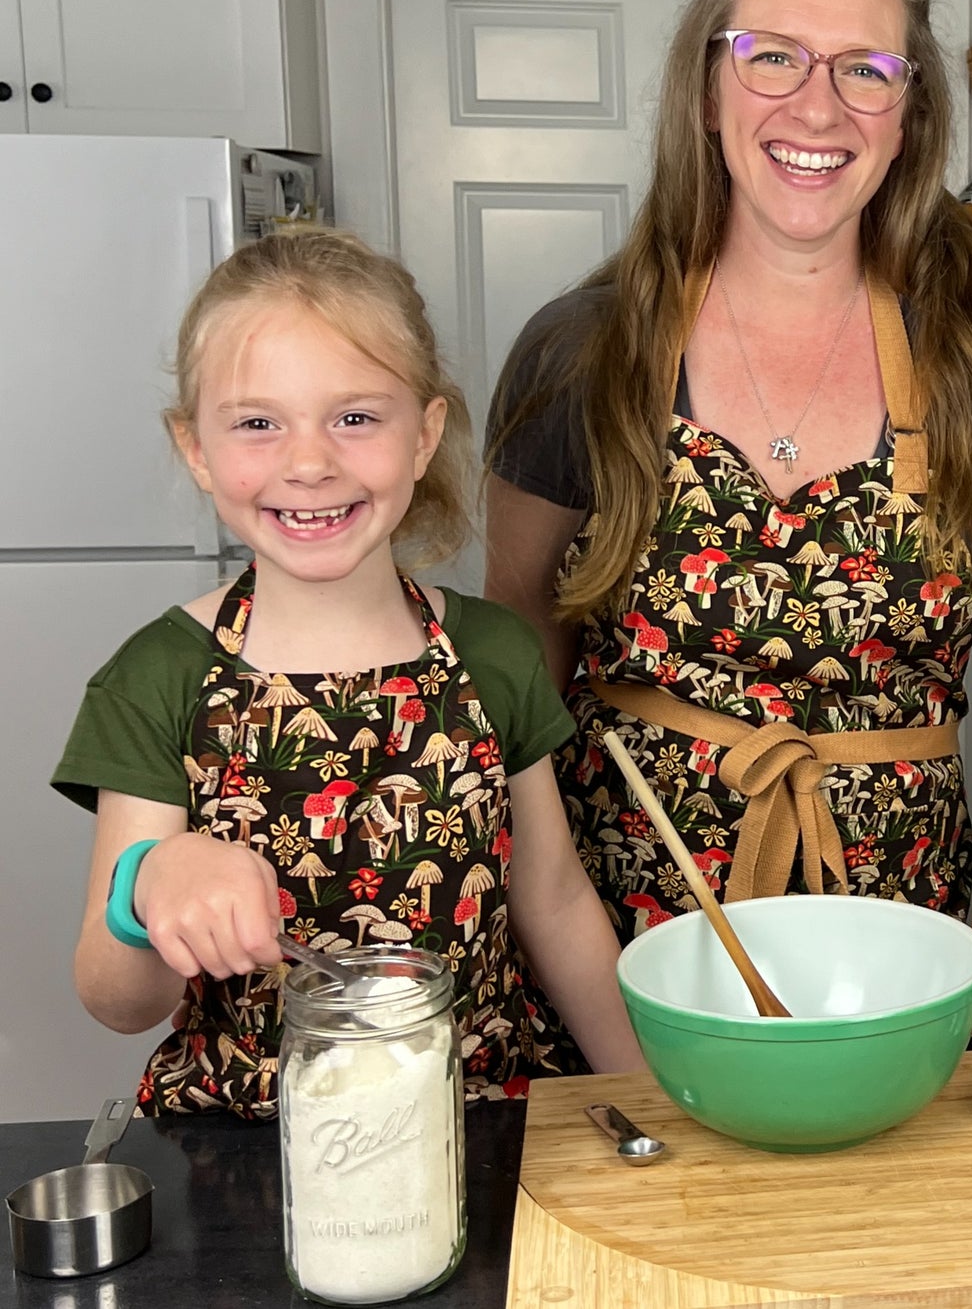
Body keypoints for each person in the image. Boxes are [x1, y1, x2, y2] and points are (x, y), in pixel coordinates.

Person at [484, 0, 972, 940]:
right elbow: (513, 667)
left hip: (893, 945)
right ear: (705, 90)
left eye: (864, 70)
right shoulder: (580, 354)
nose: (818, 109)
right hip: (619, 945)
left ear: (907, 116)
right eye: (773, 56)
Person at [54, 229, 642, 1117]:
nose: (308, 461)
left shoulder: (491, 654)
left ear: (424, 432)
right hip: (250, 1147)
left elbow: (554, 904)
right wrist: (147, 882)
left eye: (355, 416)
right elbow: (116, 1002)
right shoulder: (159, 675)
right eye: (257, 422)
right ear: (196, 448)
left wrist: (648, 1097)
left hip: (478, 1123)